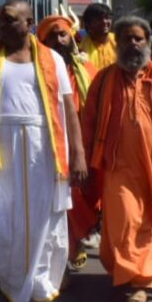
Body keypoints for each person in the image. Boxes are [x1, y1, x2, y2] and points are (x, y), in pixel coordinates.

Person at [0, 0, 89, 302]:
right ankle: (6, 282)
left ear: (29, 22)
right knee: (2, 224)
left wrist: (78, 153)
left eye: (9, 20)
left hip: (42, 150)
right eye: (0, 20)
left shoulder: (51, 61)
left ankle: (33, 298)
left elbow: (68, 110)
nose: (1, 26)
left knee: (40, 225)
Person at [81, 16, 152, 302]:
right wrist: (85, 160)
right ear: (118, 42)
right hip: (116, 166)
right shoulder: (103, 80)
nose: (133, 44)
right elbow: (89, 122)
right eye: (127, 38)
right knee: (125, 221)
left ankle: (138, 279)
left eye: (139, 38)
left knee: (148, 223)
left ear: (149, 42)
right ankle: (137, 283)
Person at [38, 14, 97, 269]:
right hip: (49, 145)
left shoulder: (87, 69)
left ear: (72, 37)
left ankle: (78, 241)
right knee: (62, 201)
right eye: (52, 36)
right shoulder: (35, 71)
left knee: (79, 198)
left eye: (63, 34)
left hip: (84, 145)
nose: (59, 40)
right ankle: (68, 254)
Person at [78, 3, 116, 72]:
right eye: (99, 19)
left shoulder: (119, 42)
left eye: (107, 18)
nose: (104, 21)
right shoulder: (81, 48)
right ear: (88, 23)